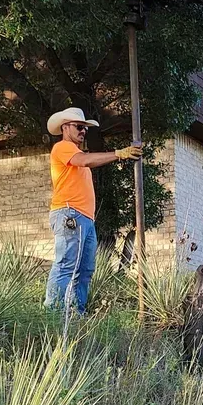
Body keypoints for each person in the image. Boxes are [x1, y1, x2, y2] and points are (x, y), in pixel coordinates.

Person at [45, 107, 141, 313]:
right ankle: (52, 313)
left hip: (85, 218)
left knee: (85, 270)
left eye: (85, 129)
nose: (83, 131)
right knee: (66, 265)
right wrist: (118, 154)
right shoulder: (62, 147)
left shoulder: (76, 154)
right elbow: (85, 160)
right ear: (65, 127)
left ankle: (76, 314)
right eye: (79, 127)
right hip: (69, 214)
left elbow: (84, 160)